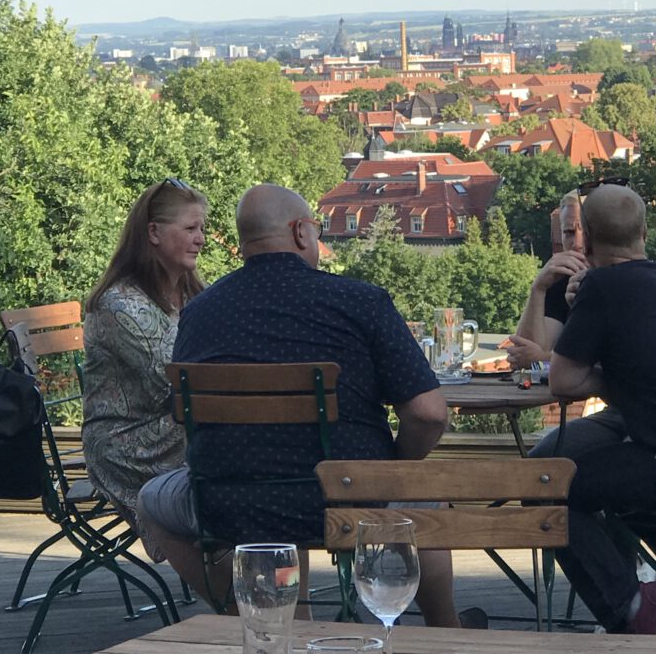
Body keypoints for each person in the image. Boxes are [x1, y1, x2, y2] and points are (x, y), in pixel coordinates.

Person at [138, 184, 481, 628]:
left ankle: (267, 618)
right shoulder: (360, 302)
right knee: (424, 495)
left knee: (151, 500)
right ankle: (444, 630)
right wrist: (396, 467)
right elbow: (430, 413)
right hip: (351, 498)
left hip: (229, 501)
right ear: (301, 232)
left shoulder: (200, 312)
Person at [548, 183, 656, 634]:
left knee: (553, 487)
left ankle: (631, 612)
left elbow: (562, 380)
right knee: (621, 488)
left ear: (586, 235)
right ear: (644, 230)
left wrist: (609, 377)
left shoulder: (600, 286)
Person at [82, 178, 207, 557]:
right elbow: (173, 382)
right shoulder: (120, 306)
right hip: (127, 442)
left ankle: (235, 559)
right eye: (189, 228)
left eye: (202, 228)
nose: (200, 238)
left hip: (174, 423)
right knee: (232, 438)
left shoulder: (190, 292)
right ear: (153, 232)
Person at [507, 190, 627, 459]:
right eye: (568, 233)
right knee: (538, 467)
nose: (577, 243)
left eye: (583, 231)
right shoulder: (562, 282)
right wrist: (539, 288)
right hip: (616, 412)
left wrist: (542, 358)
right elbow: (526, 355)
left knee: (546, 468)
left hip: (638, 415)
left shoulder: (619, 279)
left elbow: (608, 361)